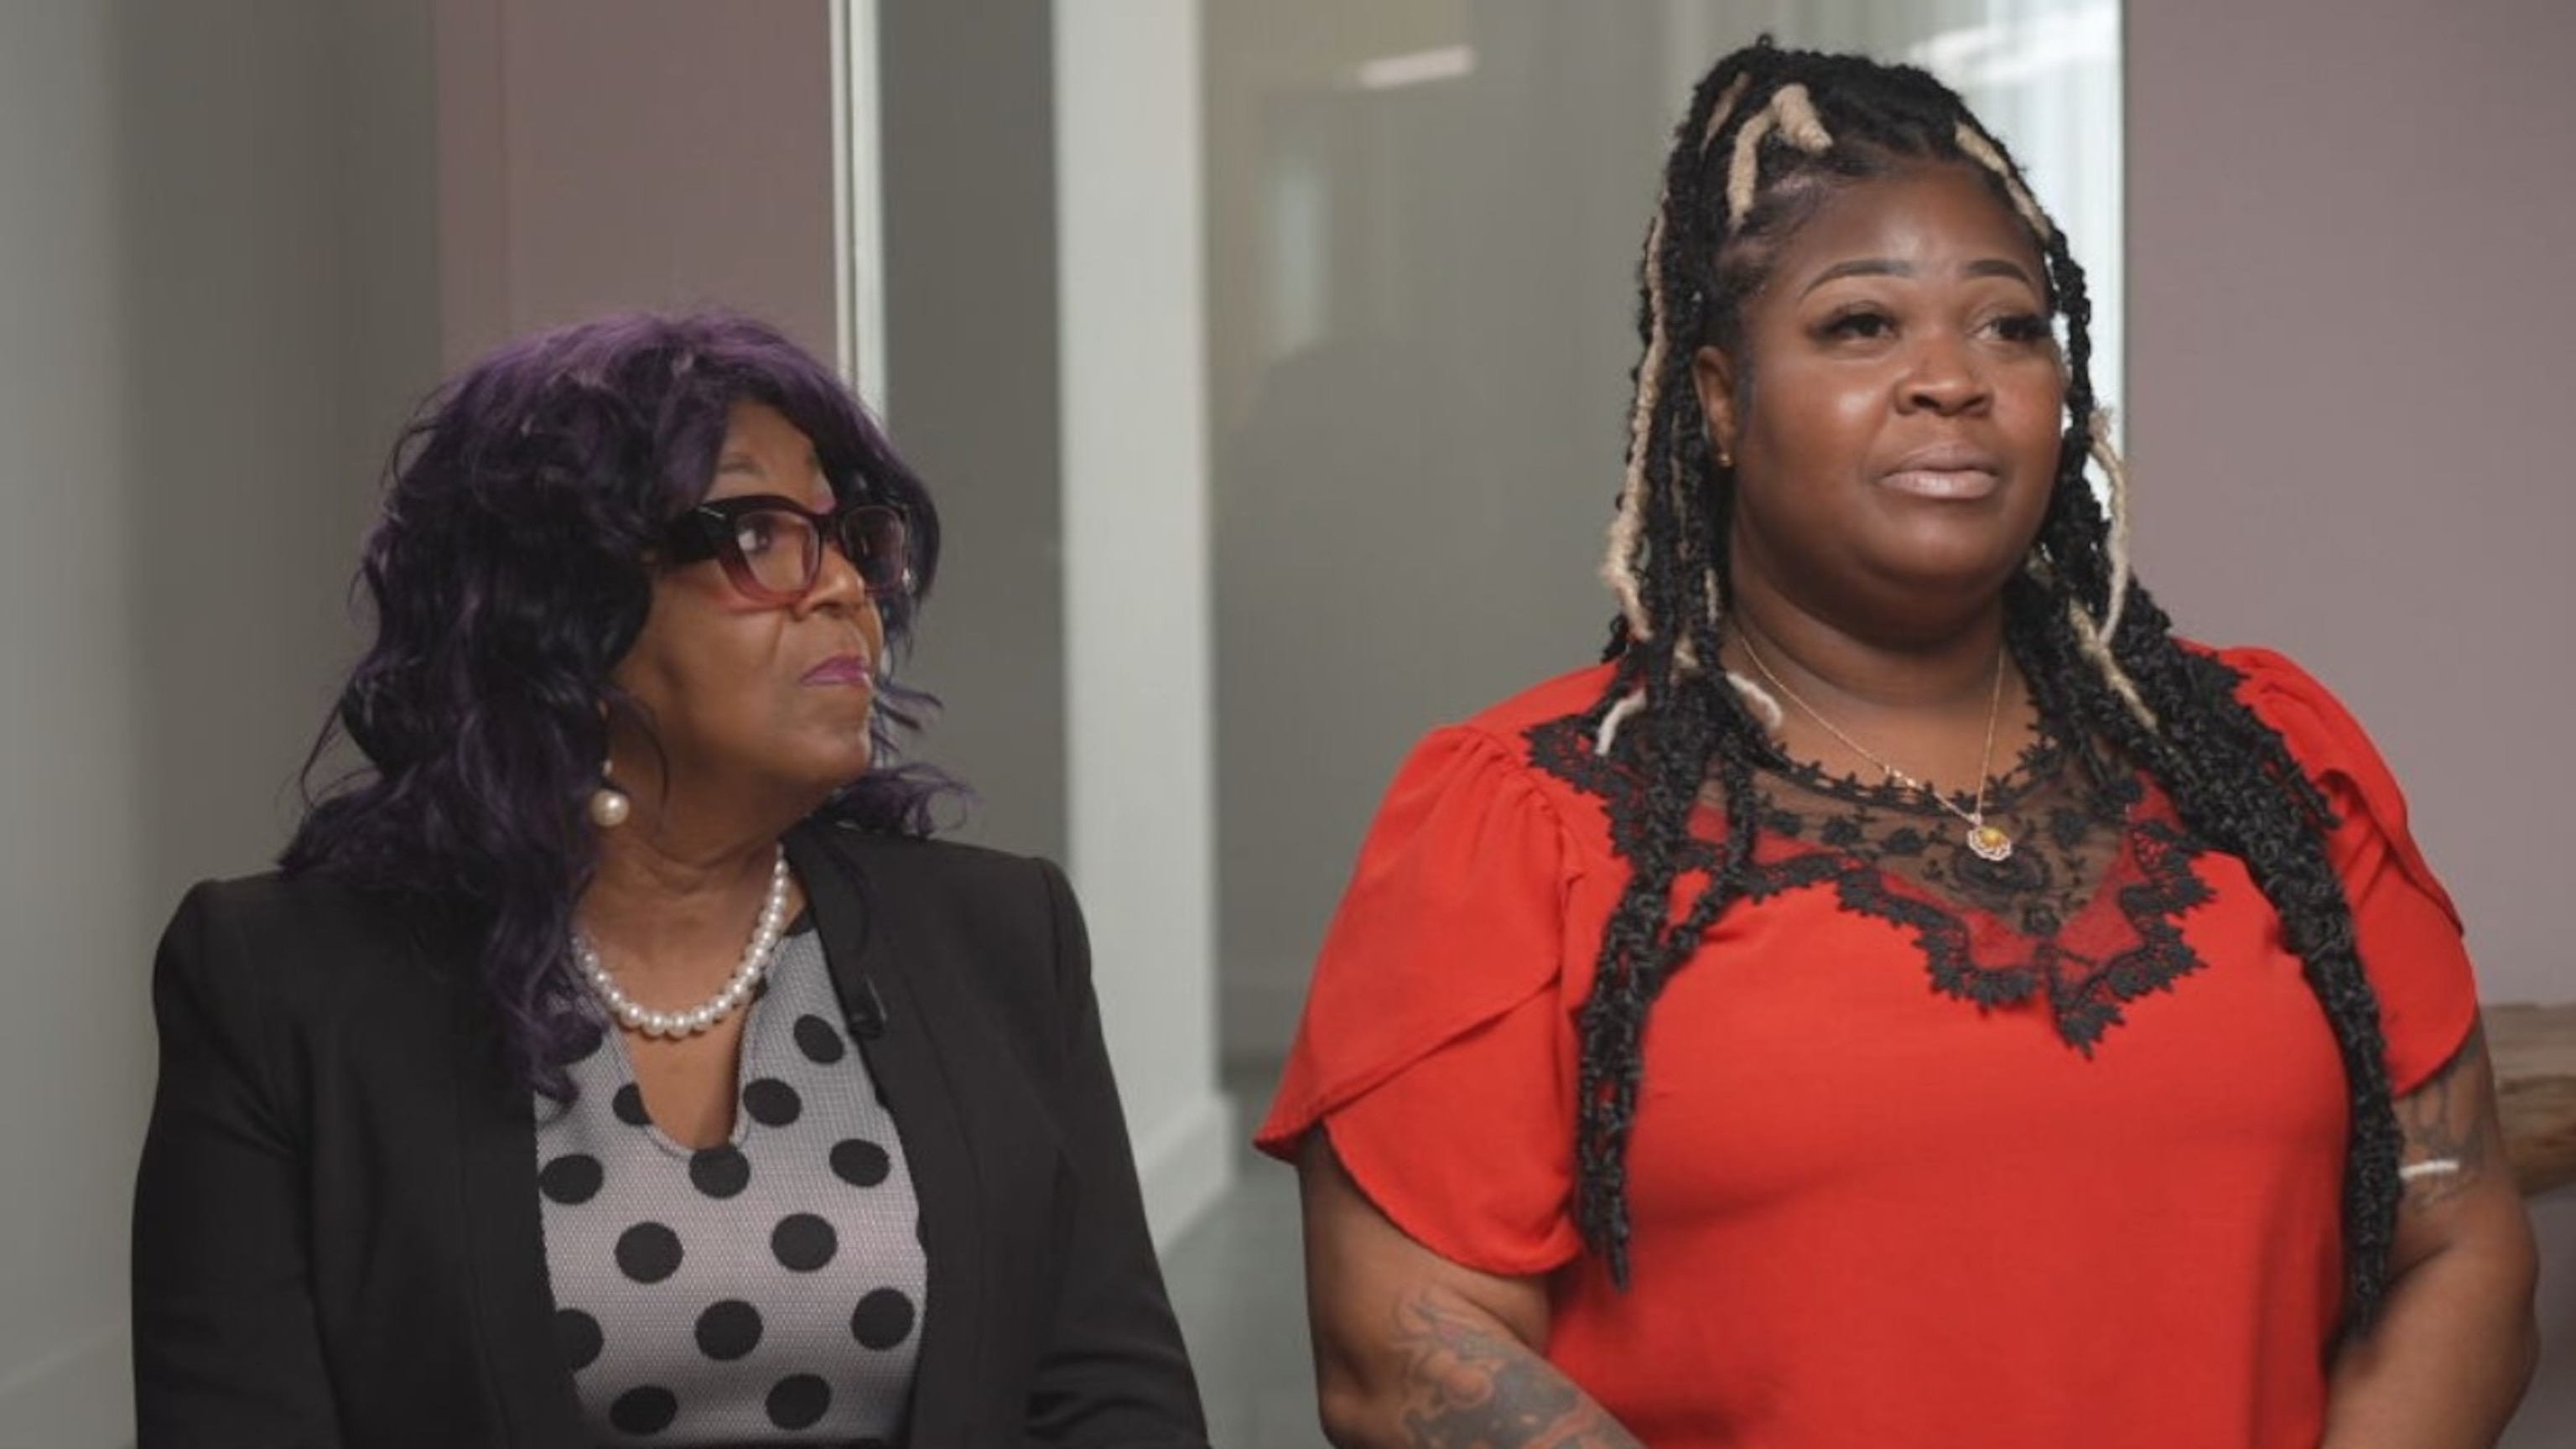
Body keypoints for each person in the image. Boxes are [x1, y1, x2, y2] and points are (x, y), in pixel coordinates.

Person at [1258, 39, 2537, 1449]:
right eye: (1861, 325)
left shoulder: (2266, 760)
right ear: (1721, 400)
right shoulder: (1529, 819)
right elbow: (1401, 1352)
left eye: (2010, 326)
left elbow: (2458, 1239)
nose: (1953, 379)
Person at [132, 312, 1208, 1446]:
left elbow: (1112, 1398)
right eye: (759, 535)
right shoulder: (287, 983)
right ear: (565, 609)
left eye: (850, 537)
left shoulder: (998, 936)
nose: (843, 585)